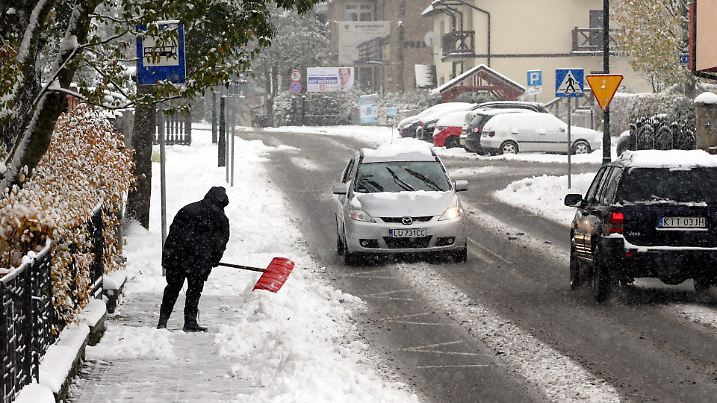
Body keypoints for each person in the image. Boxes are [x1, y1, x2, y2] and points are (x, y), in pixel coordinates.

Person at [157, 186, 230, 332]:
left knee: (172, 289)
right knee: (194, 291)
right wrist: (215, 258)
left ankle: (163, 321)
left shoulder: (187, 210)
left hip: (178, 258)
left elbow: (173, 235)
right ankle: (190, 322)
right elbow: (220, 242)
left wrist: (167, 256)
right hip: (200, 261)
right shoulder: (221, 218)